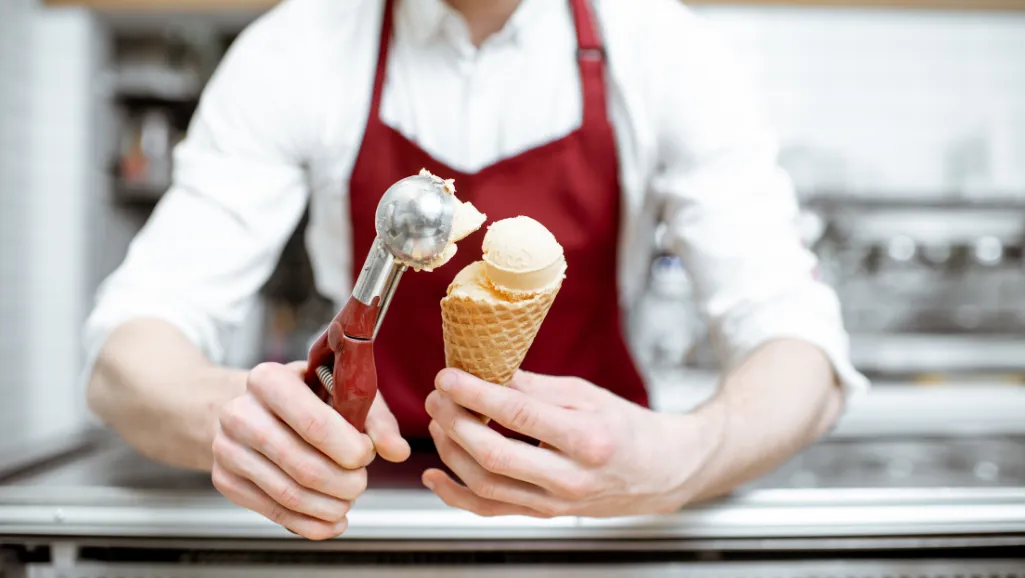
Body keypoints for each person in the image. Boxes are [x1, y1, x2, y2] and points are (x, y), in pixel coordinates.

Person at [83, 0, 869, 540]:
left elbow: (797, 341)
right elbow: (129, 351)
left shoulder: (662, 46)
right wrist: (231, 414)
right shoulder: (300, 44)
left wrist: (685, 458)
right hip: (359, 516)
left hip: (600, 521)